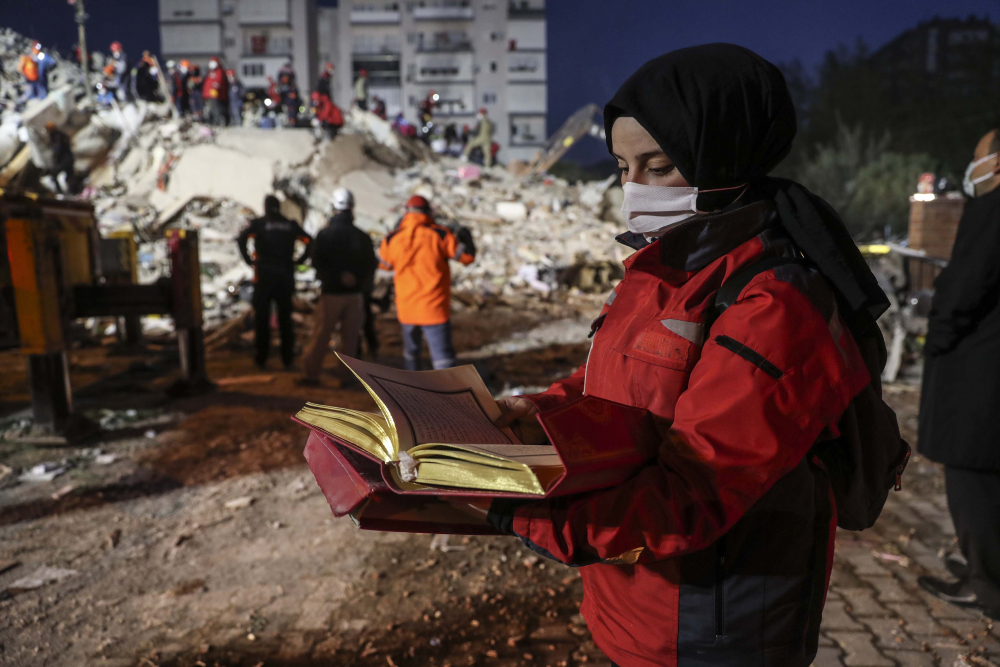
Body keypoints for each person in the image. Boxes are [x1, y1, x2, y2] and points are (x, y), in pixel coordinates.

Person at [487, 44, 902, 667]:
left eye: (658, 167)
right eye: (622, 167)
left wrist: (512, 509)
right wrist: (537, 410)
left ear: (726, 159)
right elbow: (623, 378)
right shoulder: (664, 266)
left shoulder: (774, 304)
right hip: (634, 603)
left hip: (713, 627)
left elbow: (695, 492)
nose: (633, 189)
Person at [916, 129, 1000, 621]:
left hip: (979, 376)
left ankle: (985, 585)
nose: (972, 169)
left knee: (974, 486)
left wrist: (939, 338)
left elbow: (964, 288)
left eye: (977, 159)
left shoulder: (992, 211)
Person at [378, 195, 475, 370]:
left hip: (406, 309)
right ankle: (447, 395)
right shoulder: (440, 235)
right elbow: (467, 257)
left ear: (406, 212)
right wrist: (464, 235)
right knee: (442, 361)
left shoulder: (392, 239)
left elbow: (383, 265)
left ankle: (412, 394)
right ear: (428, 211)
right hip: (434, 309)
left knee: (411, 355)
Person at [301, 188, 378, 386]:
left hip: (331, 294)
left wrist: (336, 277)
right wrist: (356, 280)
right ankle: (346, 377)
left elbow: (317, 262)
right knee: (350, 338)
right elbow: (370, 264)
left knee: (321, 334)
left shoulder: (325, 235)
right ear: (352, 209)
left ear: (333, 208)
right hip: (355, 295)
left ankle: (311, 374)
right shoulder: (362, 236)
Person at [237, 195, 312, 370]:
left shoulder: (259, 224)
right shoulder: (290, 224)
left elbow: (241, 239)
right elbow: (310, 240)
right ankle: (288, 360)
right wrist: (300, 260)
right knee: (285, 320)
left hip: (263, 277)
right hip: (285, 277)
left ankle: (261, 358)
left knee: (262, 320)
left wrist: (248, 260)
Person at [202, 57, 229, 126]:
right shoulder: (210, 72)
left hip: (215, 94)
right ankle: (212, 121)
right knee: (210, 109)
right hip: (209, 95)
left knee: (216, 109)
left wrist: (214, 90)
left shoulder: (219, 71)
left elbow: (218, 83)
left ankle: (216, 122)